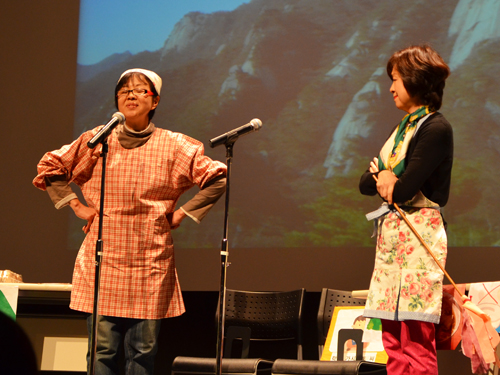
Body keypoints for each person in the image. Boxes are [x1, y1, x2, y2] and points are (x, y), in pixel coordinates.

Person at [33, 68, 227, 375]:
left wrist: (182, 213)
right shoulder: (96, 140)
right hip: (103, 259)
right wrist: (74, 205)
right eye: (124, 91)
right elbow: (51, 166)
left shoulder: (175, 145)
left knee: (142, 353)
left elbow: (216, 177)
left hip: (150, 261)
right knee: (101, 352)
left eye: (140, 91)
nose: (131, 95)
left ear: (155, 102)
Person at [359, 45, 453, 375]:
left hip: (419, 236)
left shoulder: (435, 129)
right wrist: (384, 178)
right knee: (392, 340)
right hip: (392, 238)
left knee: (415, 337)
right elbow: (364, 182)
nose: (391, 87)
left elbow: (402, 189)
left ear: (415, 80)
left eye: (396, 79)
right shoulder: (400, 130)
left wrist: (385, 174)